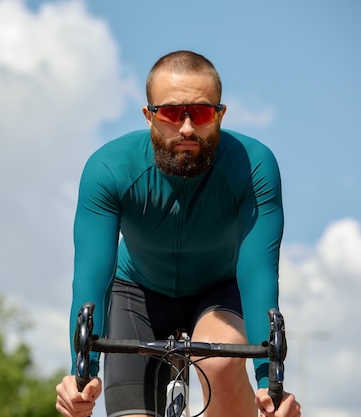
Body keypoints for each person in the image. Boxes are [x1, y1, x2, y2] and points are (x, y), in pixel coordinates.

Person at [55, 50, 301, 417]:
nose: (186, 128)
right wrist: (81, 376)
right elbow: (92, 277)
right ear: (149, 116)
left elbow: (258, 275)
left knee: (218, 362)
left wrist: (270, 385)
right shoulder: (108, 167)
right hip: (135, 292)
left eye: (201, 113)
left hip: (219, 289)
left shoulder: (254, 165)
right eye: (171, 113)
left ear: (220, 115)